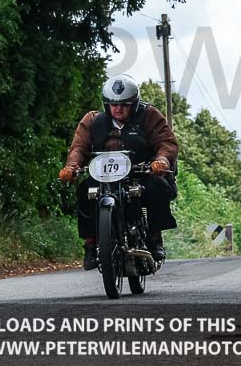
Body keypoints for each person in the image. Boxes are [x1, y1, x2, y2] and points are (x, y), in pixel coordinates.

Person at [59, 74, 179, 270]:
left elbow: (166, 142)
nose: (118, 108)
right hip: (104, 176)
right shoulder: (92, 121)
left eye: (125, 104)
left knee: (157, 188)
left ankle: (155, 237)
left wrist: (161, 161)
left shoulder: (149, 115)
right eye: (113, 104)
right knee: (84, 191)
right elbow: (79, 148)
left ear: (134, 103)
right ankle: (91, 244)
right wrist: (71, 167)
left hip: (141, 172)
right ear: (106, 105)